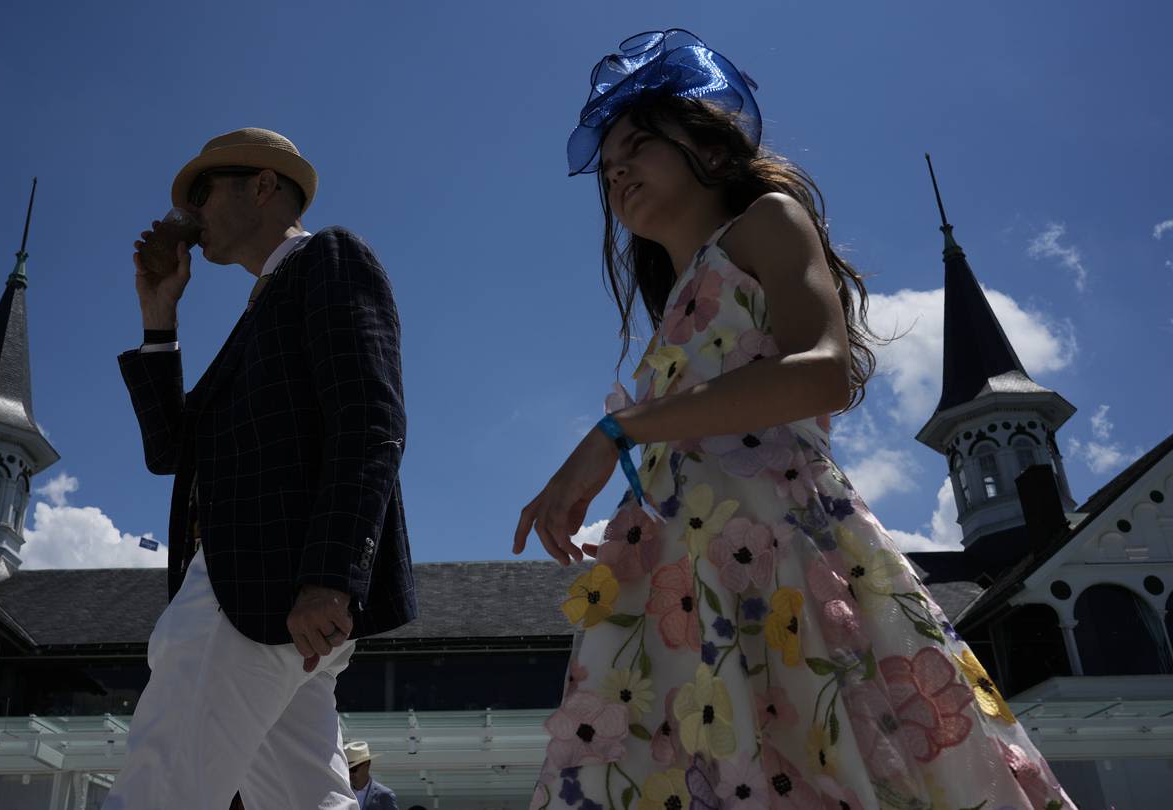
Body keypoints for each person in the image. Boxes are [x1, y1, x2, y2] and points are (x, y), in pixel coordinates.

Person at [515, 30, 1075, 810]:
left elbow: (823, 372)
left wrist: (618, 431)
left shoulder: (765, 222)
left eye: (637, 146)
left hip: (781, 561)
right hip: (687, 582)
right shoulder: (673, 308)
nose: (618, 174)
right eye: (607, 168)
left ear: (708, 148)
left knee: (816, 752)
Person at [106, 128, 416, 810]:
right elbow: (171, 455)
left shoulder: (330, 258)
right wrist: (159, 317)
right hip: (274, 599)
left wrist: (331, 578)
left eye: (203, 193)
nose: (190, 215)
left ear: (265, 186)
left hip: (266, 585)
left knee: (158, 787)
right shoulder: (259, 314)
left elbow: (372, 419)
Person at [344, 741, 398, 809]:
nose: (350, 773)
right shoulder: (343, 793)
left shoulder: (384, 795)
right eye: (347, 769)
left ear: (367, 764)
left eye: (353, 769)